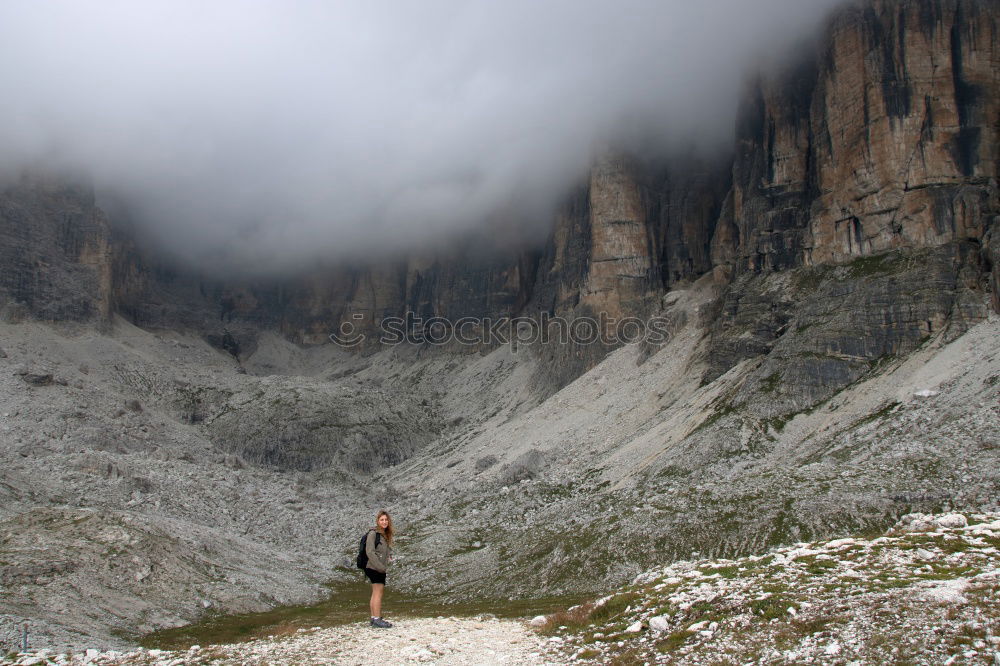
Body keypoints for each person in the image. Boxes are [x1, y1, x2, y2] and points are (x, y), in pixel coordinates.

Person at [365, 510, 393, 628]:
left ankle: (373, 618)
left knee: (375, 592)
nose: (384, 522)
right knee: (378, 592)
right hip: (375, 567)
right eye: (382, 520)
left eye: (386, 520)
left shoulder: (383, 534)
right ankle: (377, 619)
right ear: (378, 521)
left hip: (376, 567)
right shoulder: (373, 534)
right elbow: (370, 552)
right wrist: (380, 567)